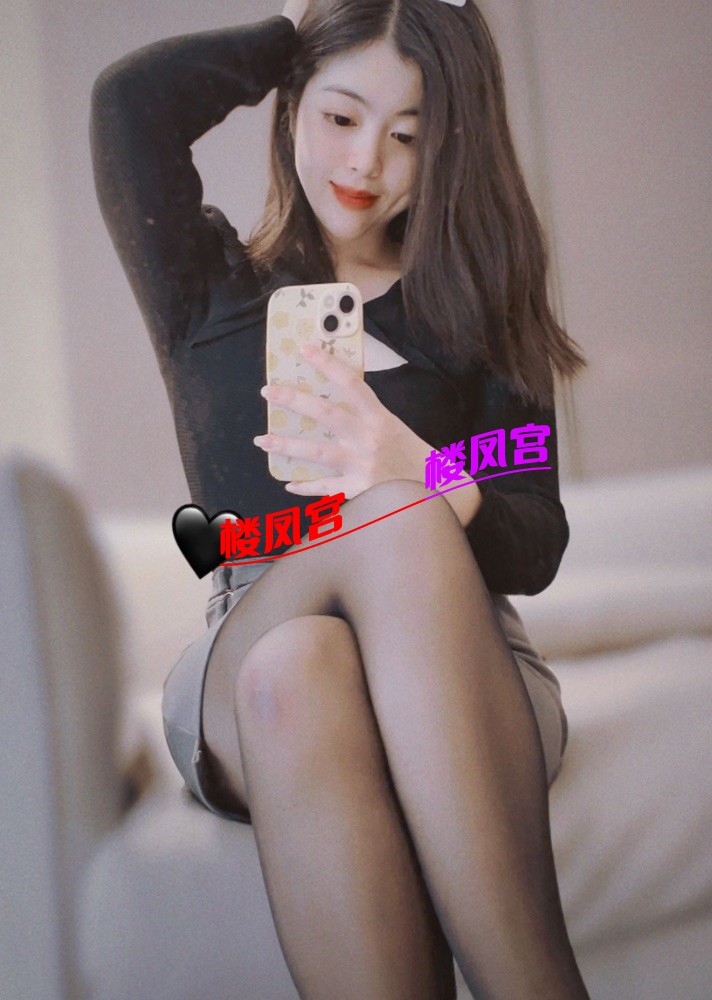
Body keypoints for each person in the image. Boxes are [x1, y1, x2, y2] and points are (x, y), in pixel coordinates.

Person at [90, 0, 590, 996]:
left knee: (313, 648)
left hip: (460, 664)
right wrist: (300, 28)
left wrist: (419, 466)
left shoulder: (477, 312)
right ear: (293, 104)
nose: (366, 160)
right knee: (298, 633)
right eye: (340, 115)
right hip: (252, 624)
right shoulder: (206, 290)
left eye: (408, 134)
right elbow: (129, 104)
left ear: (448, 145)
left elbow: (536, 543)